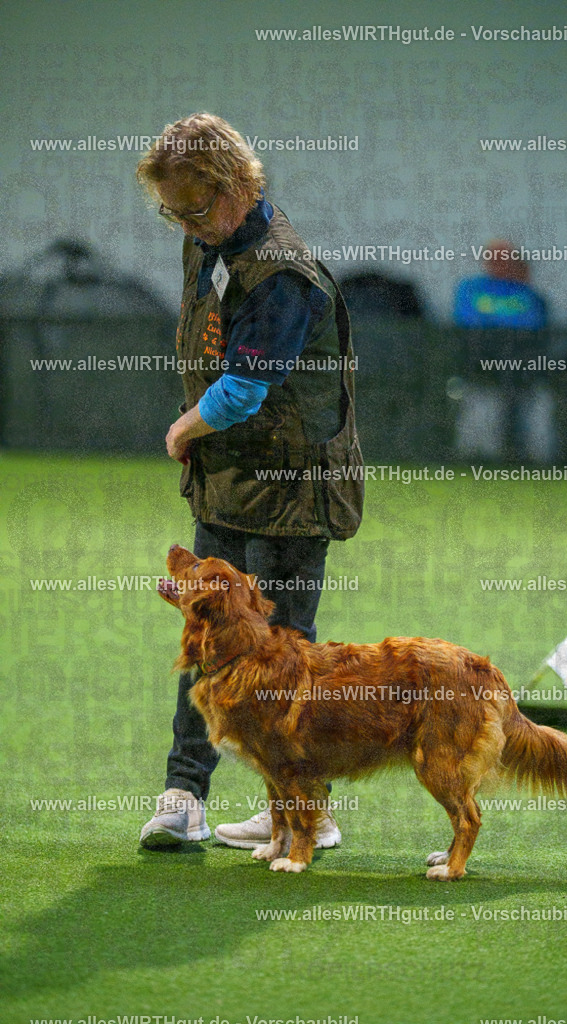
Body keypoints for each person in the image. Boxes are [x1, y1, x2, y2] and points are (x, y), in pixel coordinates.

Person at [136, 113, 363, 850]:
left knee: (287, 656)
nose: (186, 224)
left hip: (294, 496)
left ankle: (306, 812)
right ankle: (183, 794)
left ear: (237, 187)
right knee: (204, 639)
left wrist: (182, 428)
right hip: (230, 484)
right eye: (172, 212)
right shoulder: (208, 243)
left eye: (195, 209)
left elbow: (243, 388)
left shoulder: (282, 275)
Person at [453, 239, 547, 329]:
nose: (499, 262)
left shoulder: (525, 293)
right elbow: (465, 319)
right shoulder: (470, 287)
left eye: (504, 257)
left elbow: (532, 322)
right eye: (494, 257)